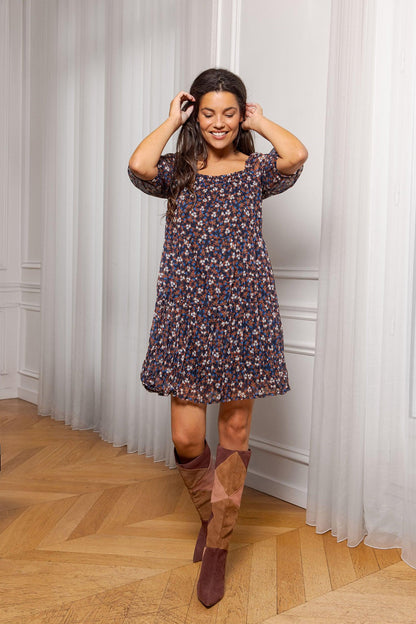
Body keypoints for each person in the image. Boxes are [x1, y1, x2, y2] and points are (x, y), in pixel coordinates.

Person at [127, 67, 307, 607]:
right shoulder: (178, 172)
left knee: (234, 428)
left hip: (245, 313)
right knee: (187, 438)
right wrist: (170, 121)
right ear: (195, 115)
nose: (219, 122)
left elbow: (296, 155)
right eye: (208, 112)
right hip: (186, 314)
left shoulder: (255, 171)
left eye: (230, 112)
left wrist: (261, 122)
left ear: (241, 115)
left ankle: (219, 549)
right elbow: (138, 166)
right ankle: (214, 518)